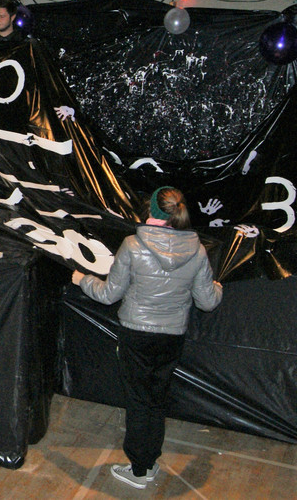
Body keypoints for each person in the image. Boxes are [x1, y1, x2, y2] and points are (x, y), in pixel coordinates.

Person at [71, 186, 222, 489]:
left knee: (139, 401)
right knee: (156, 399)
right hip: (172, 336)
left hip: (136, 333)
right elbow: (208, 302)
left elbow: (109, 294)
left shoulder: (132, 245)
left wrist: (82, 279)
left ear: (150, 210)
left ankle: (140, 470)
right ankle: (148, 461)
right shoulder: (197, 250)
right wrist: (217, 287)